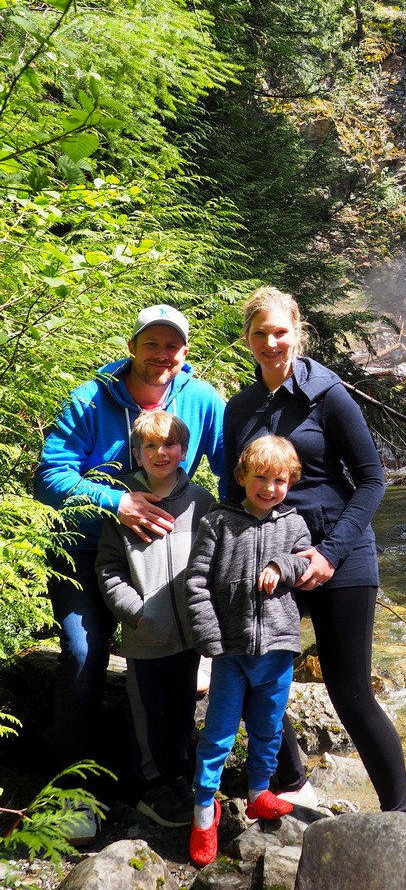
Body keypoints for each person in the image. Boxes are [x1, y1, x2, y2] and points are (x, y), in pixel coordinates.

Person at [34, 305, 225, 844]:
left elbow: (233, 470)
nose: (163, 356)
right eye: (153, 344)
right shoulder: (90, 399)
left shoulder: (201, 399)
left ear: (184, 351)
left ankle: (173, 775)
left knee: (185, 659)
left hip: (167, 564)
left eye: (173, 346)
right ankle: (71, 790)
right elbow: (49, 477)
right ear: (134, 345)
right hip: (85, 550)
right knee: (81, 652)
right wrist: (116, 501)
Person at [222, 286, 406, 814]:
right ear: (248, 339)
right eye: (260, 333)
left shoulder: (328, 394)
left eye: (280, 331)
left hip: (340, 551)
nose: (271, 342)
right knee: (248, 669)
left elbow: (372, 480)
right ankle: (291, 781)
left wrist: (328, 553)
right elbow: (230, 491)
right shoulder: (239, 409)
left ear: (297, 333)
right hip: (270, 558)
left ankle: (399, 816)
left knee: (350, 692)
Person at [184, 435, 312, 868]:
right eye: (260, 477)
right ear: (242, 477)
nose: (269, 488)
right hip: (230, 651)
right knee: (217, 734)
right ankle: (205, 811)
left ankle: (259, 793)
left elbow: (304, 562)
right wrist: (210, 639)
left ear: (290, 481)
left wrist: (283, 565)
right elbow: (196, 583)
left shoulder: (294, 523)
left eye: (279, 480)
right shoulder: (219, 521)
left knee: (268, 728)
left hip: (276, 649)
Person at [96, 411, 215, 828]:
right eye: (150, 446)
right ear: (138, 454)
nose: (160, 453)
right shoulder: (124, 503)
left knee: (183, 708)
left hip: (189, 638)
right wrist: (136, 611)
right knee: (147, 712)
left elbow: (216, 562)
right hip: (146, 635)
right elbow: (109, 569)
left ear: (184, 451)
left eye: (169, 444)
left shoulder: (201, 501)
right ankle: (150, 786)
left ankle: (179, 774)